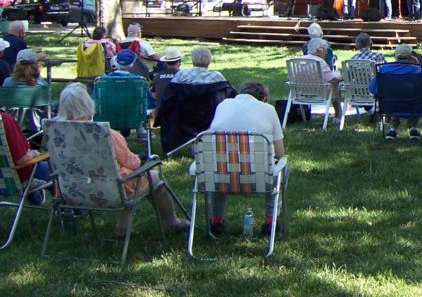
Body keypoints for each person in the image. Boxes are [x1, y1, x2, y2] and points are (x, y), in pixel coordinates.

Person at [55, 82, 188, 236]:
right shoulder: (104, 133)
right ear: (88, 104)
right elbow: (133, 163)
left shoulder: (57, 134)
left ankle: (123, 227)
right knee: (151, 177)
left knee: (121, 176)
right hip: (109, 191)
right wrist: (143, 159)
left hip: (72, 191)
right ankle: (171, 221)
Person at [206, 79, 287, 237]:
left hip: (220, 178)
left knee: (219, 163)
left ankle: (217, 220)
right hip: (258, 177)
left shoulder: (222, 106)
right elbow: (279, 153)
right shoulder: (268, 110)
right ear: (264, 99)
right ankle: (270, 222)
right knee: (281, 167)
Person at [369, 43, 422, 140]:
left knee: (395, 98)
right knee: (415, 98)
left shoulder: (384, 69)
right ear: (411, 56)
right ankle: (413, 128)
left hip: (389, 106)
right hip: (414, 106)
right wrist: (419, 64)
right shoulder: (417, 70)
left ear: (395, 56)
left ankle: (392, 129)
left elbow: (373, 88)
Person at [1, 109, 51, 204]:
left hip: (2, 178)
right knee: (56, 169)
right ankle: (67, 211)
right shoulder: (5, 120)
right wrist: (34, 153)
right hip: (13, 179)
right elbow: (21, 160)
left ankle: (37, 198)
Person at [298, 37, 344, 121]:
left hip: (300, 93)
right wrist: (343, 78)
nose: (326, 52)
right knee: (336, 86)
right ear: (318, 50)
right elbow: (332, 80)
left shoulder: (299, 61)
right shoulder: (320, 62)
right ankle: (338, 115)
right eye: (325, 49)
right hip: (319, 92)